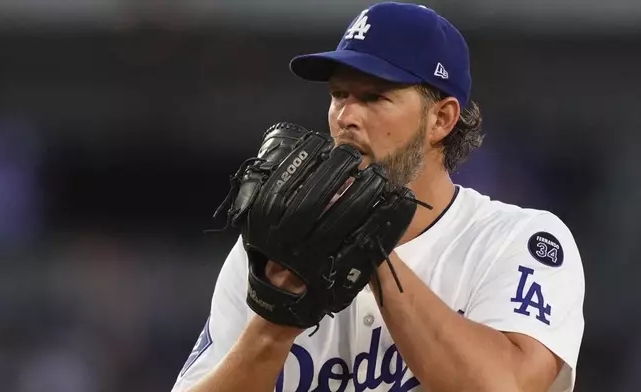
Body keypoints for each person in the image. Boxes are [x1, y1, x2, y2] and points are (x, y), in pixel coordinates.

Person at [171, 2, 585, 392]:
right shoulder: (268, 249)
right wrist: (276, 316)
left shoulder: (516, 242)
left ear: (441, 119)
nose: (346, 117)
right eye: (338, 95)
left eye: (374, 97)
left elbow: (507, 384)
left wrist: (371, 249)